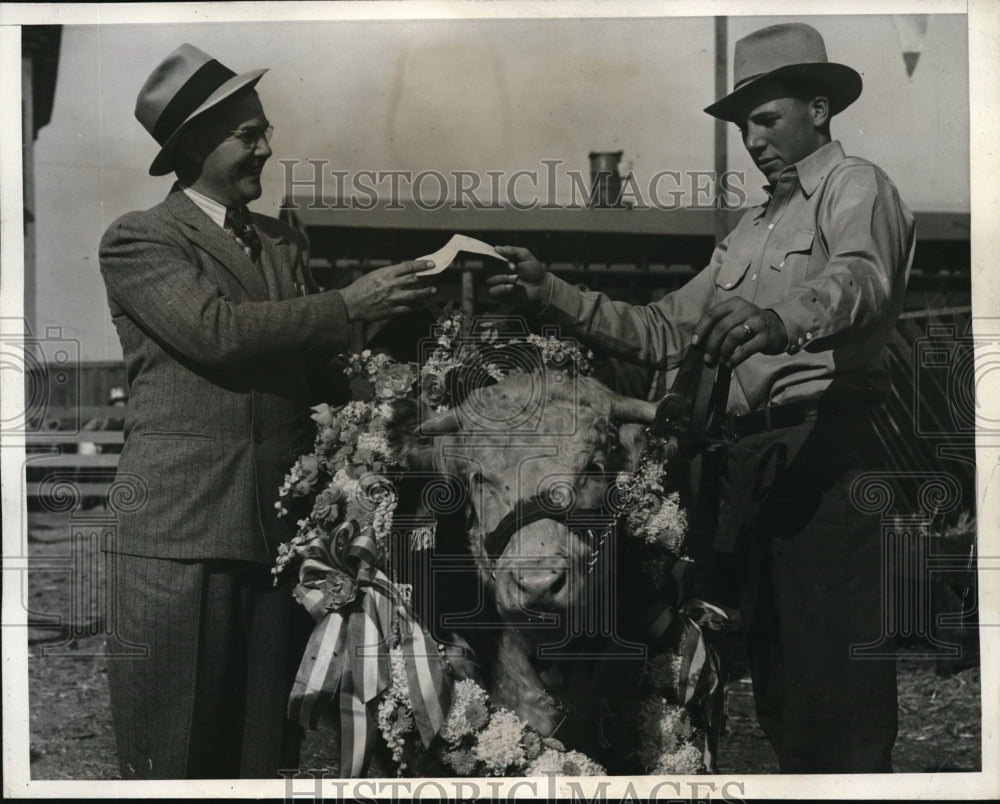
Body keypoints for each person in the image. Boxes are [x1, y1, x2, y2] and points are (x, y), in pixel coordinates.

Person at [487, 23, 914, 773]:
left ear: (820, 108)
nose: (752, 140)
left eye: (765, 118)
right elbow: (660, 330)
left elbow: (861, 280)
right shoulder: (748, 231)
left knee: (834, 680)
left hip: (827, 450)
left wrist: (780, 320)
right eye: (742, 125)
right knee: (779, 679)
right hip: (752, 465)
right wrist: (548, 290)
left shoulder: (857, 188)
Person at [98, 43, 435, 779]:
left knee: (261, 762)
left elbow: (317, 370)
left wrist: (399, 363)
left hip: (278, 546)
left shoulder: (283, 242)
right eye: (247, 134)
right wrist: (348, 305)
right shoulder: (140, 239)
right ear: (192, 143)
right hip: (178, 542)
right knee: (176, 762)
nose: (267, 146)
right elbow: (215, 334)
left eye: (265, 129)